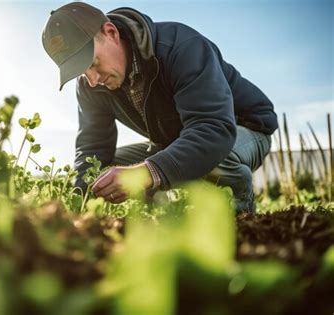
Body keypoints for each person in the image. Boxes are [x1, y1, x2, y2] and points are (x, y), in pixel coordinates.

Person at [41, 2, 277, 212]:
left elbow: (214, 130)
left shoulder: (181, 46)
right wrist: (79, 203)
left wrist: (147, 172)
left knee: (210, 155)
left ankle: (239, 208)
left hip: (242, 129)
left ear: (110, 32)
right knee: (104, 171)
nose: (92, 79)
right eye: (81, 71)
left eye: (92, 63)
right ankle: (160, 219)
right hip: (177, 139)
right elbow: (92, 147)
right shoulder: (90, 86)